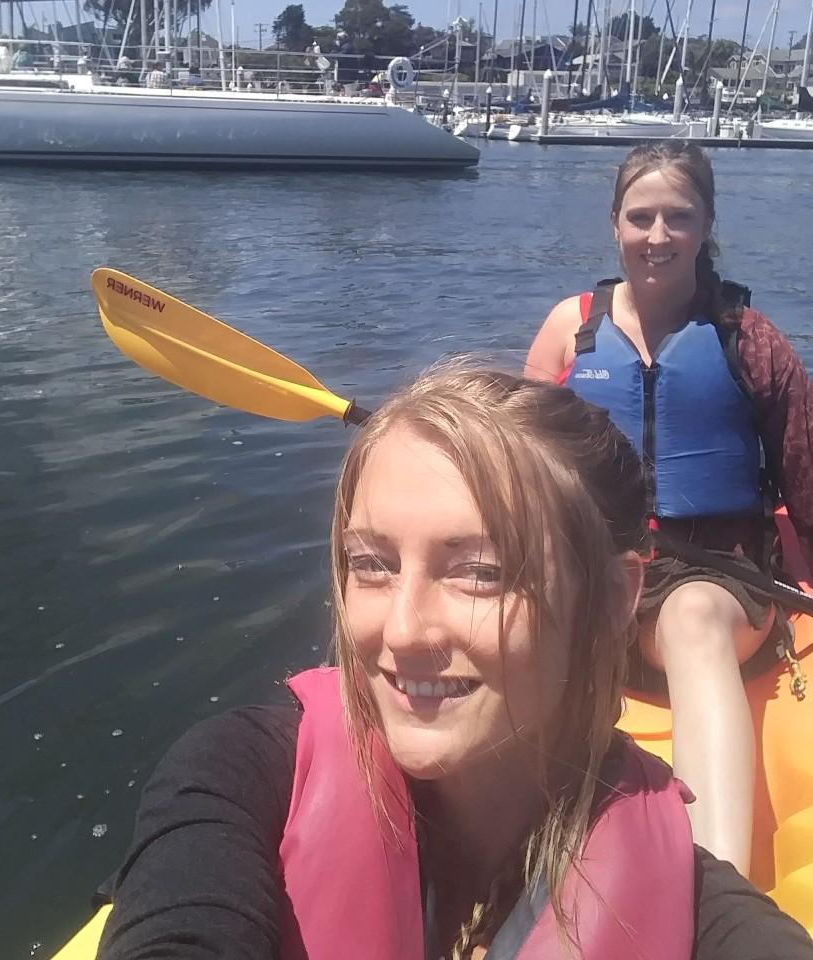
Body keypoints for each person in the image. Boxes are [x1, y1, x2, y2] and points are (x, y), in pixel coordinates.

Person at [95, 363, 813, 960]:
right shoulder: (239, 778)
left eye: (479, 572)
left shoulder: (702, 909)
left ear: (616, 595)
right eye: (370, 564)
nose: (402, 631)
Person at [525, 141, 813, 878]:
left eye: (677, 217)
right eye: (641, 216)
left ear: (706, 225)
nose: (658, 236)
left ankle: (718, 890)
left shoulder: (747, 339)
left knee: (689, 619)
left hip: (718, 577)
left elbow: (802, 470)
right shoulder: (571, 327)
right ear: (615, 224)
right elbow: (521, 461)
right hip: (598, 566)